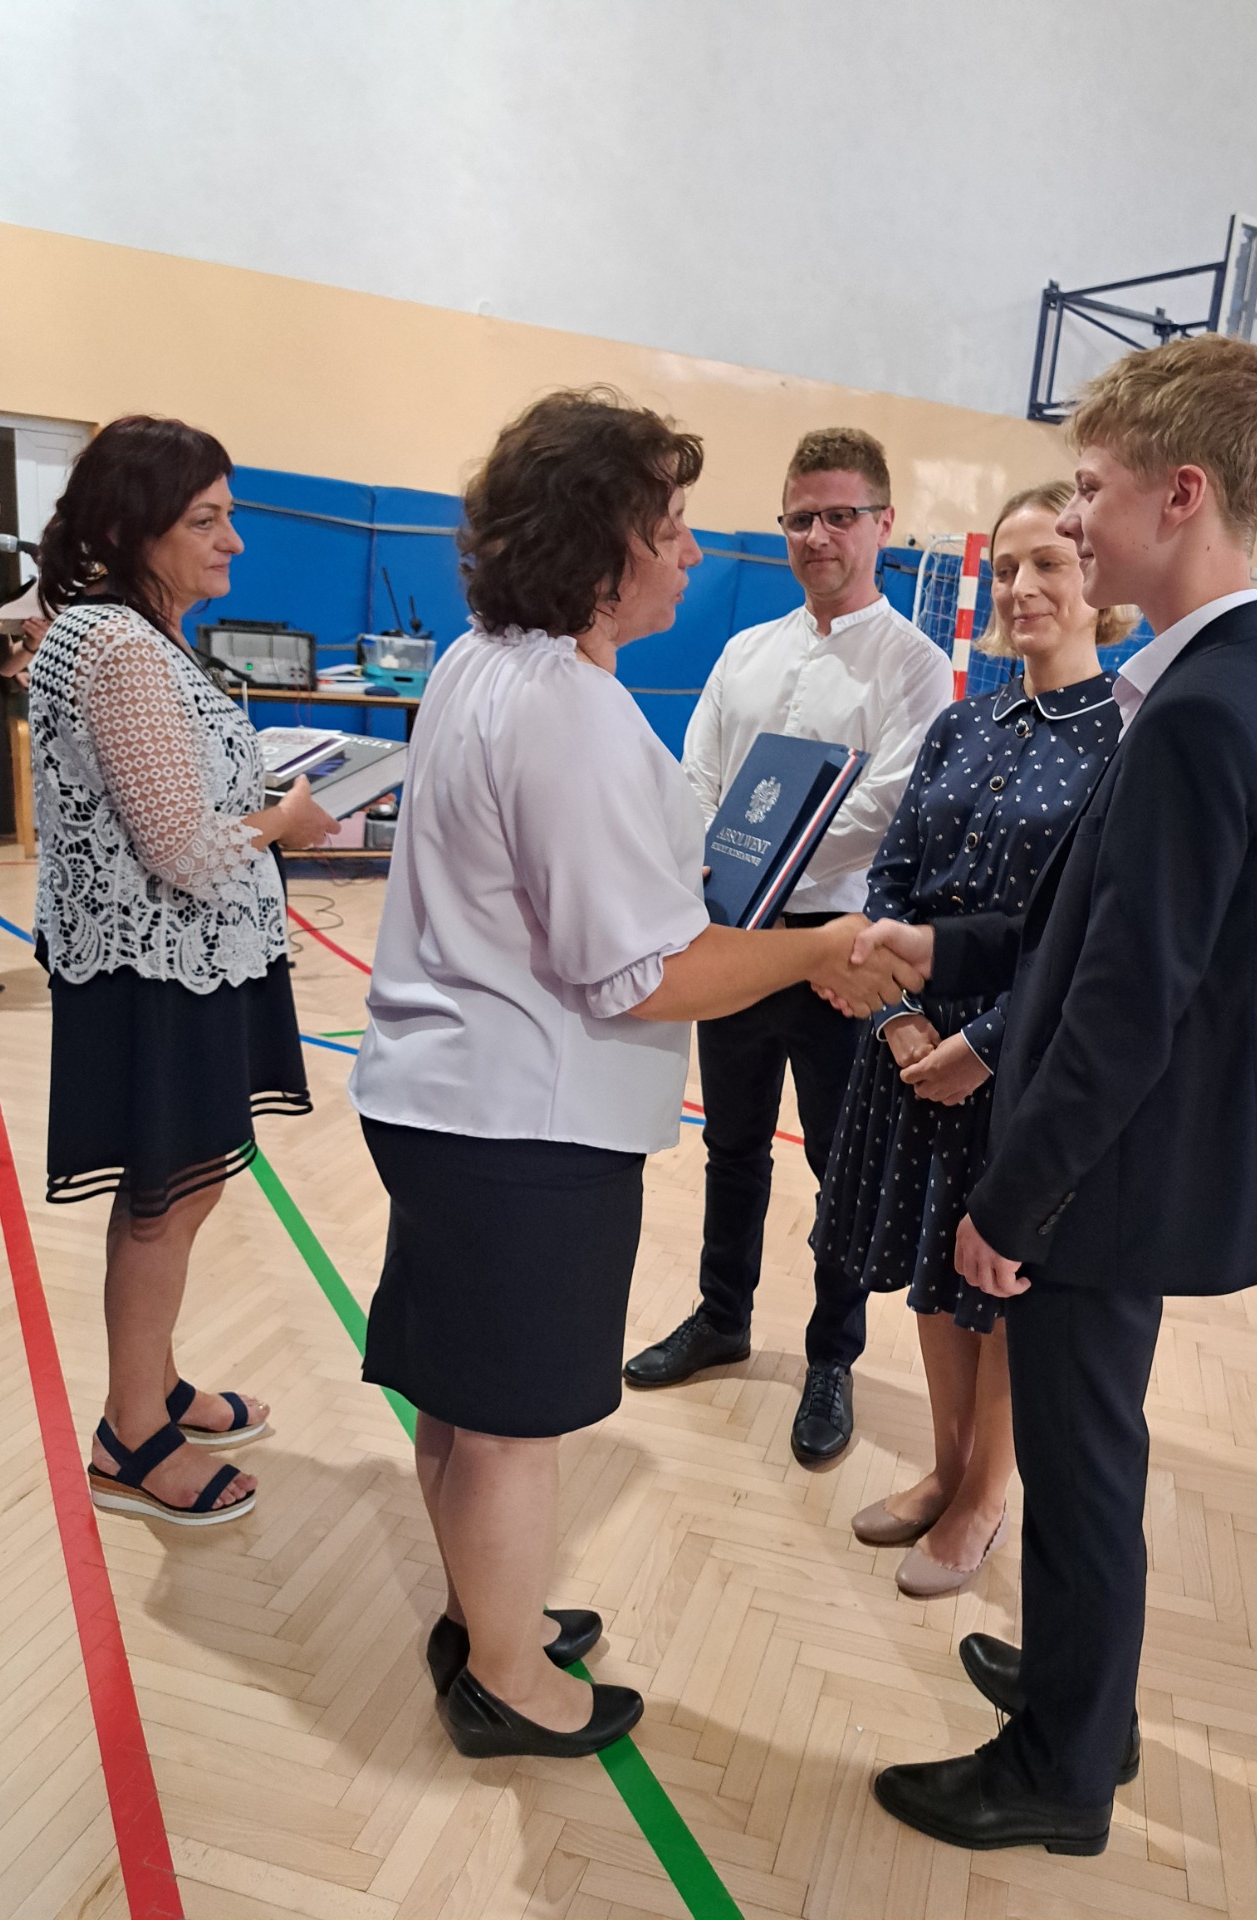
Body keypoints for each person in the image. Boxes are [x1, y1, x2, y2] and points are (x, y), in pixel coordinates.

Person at [346, 391, 924, 1765]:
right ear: (603, 543)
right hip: (521, 1120)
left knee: (459, 1393)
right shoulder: (571, 709)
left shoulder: (484, 661)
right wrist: (818, 950)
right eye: (671, 527)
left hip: (442, 1095)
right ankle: (507, 1682)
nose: (692, 550)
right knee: (511, 1422)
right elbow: (643, 974)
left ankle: (483, 1616)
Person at [856, 334, 1257, 1855]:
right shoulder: (1222, 687)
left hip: (1106, 1172)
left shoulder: (1199, 712)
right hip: (1126, 1161)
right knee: (1086, 1452)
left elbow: (1129, 1002)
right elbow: (1089, 924)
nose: (1073, 519)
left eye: (1091, 490)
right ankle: (1083, 1688)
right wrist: (946, 946)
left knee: (1079, 1462)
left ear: (1182, 494)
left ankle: (1058, 1771)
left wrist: (1012, 1199)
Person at [814, 482, 1126, 1600]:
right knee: (930, 1268)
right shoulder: (963, 720)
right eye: (1005, 568)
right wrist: (896, 1017)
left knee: (996, 1285)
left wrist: (986, 1042)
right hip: (910, 1050)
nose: (1022, 588)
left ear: (1098, 582)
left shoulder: (1124, 739)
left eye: (1050, 564)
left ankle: (988, 1491)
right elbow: (891, 877)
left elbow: (1090, 942)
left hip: (1019, 1061)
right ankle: (947, 1469)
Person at [622, 428, 954, 1467]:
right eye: (800, 518)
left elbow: (886, 806)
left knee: (836, 1165)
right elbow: (698, 776)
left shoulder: (916, 665)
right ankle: (723, 1316)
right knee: (731, 1144)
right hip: (734, 928)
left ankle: (830, 1357)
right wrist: (714, 866)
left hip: (838, 946)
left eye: (840, 516)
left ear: (883, 524)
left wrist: (771, 857)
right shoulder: (745, 651)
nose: (818, 536)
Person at [28, 415, 337, 1526]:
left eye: (229, 515)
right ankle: (130, 1435)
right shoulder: (115, 646)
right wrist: (286, 821)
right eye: (207, 520)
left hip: (184, 962)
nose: (234, 541)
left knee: (186, 1185)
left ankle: (152, 1384)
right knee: (166, 1197)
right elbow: (185, 848)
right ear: (130, 529)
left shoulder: (133, 637)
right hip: (156, 971)